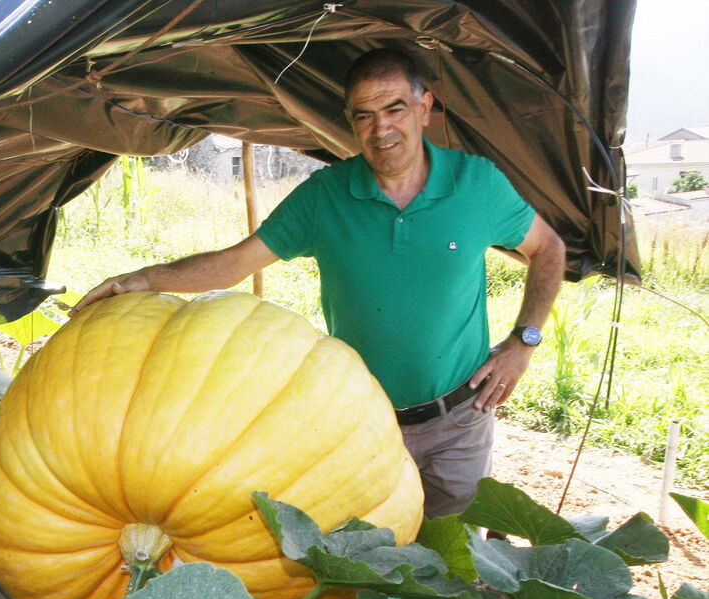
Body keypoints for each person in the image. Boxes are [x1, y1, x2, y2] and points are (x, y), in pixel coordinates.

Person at [69, 48, 565, 518]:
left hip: (459, 417)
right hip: (356, 420)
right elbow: (234, 263)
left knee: (456, 563)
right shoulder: (325, 197)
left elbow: (549, 249)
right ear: (350, 121)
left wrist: (524, 342)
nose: (381, 128)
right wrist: (142, 280)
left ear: (424, 108)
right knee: (365, 564)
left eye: (394, 108)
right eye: (363, 116)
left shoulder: (477, 184)